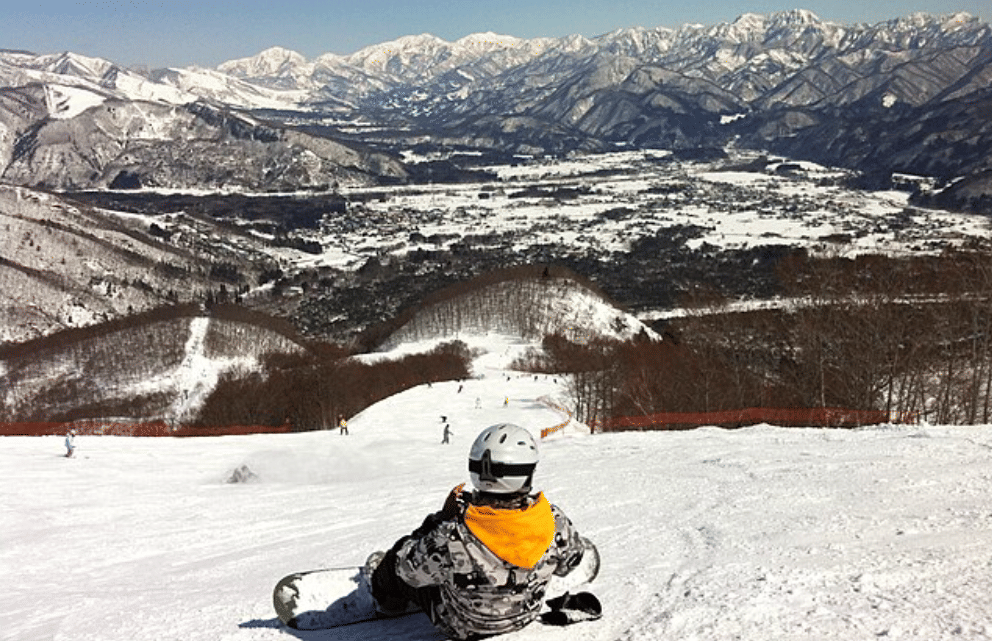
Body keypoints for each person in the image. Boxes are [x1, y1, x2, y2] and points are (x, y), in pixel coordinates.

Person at [367, 423, 596, 639]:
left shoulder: (452, 532)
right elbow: (570, 564)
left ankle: (388, 602)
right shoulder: (553, 521)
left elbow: (408, 573)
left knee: (397, 556)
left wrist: (437, 524)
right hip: (524, 617)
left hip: (461, 626)